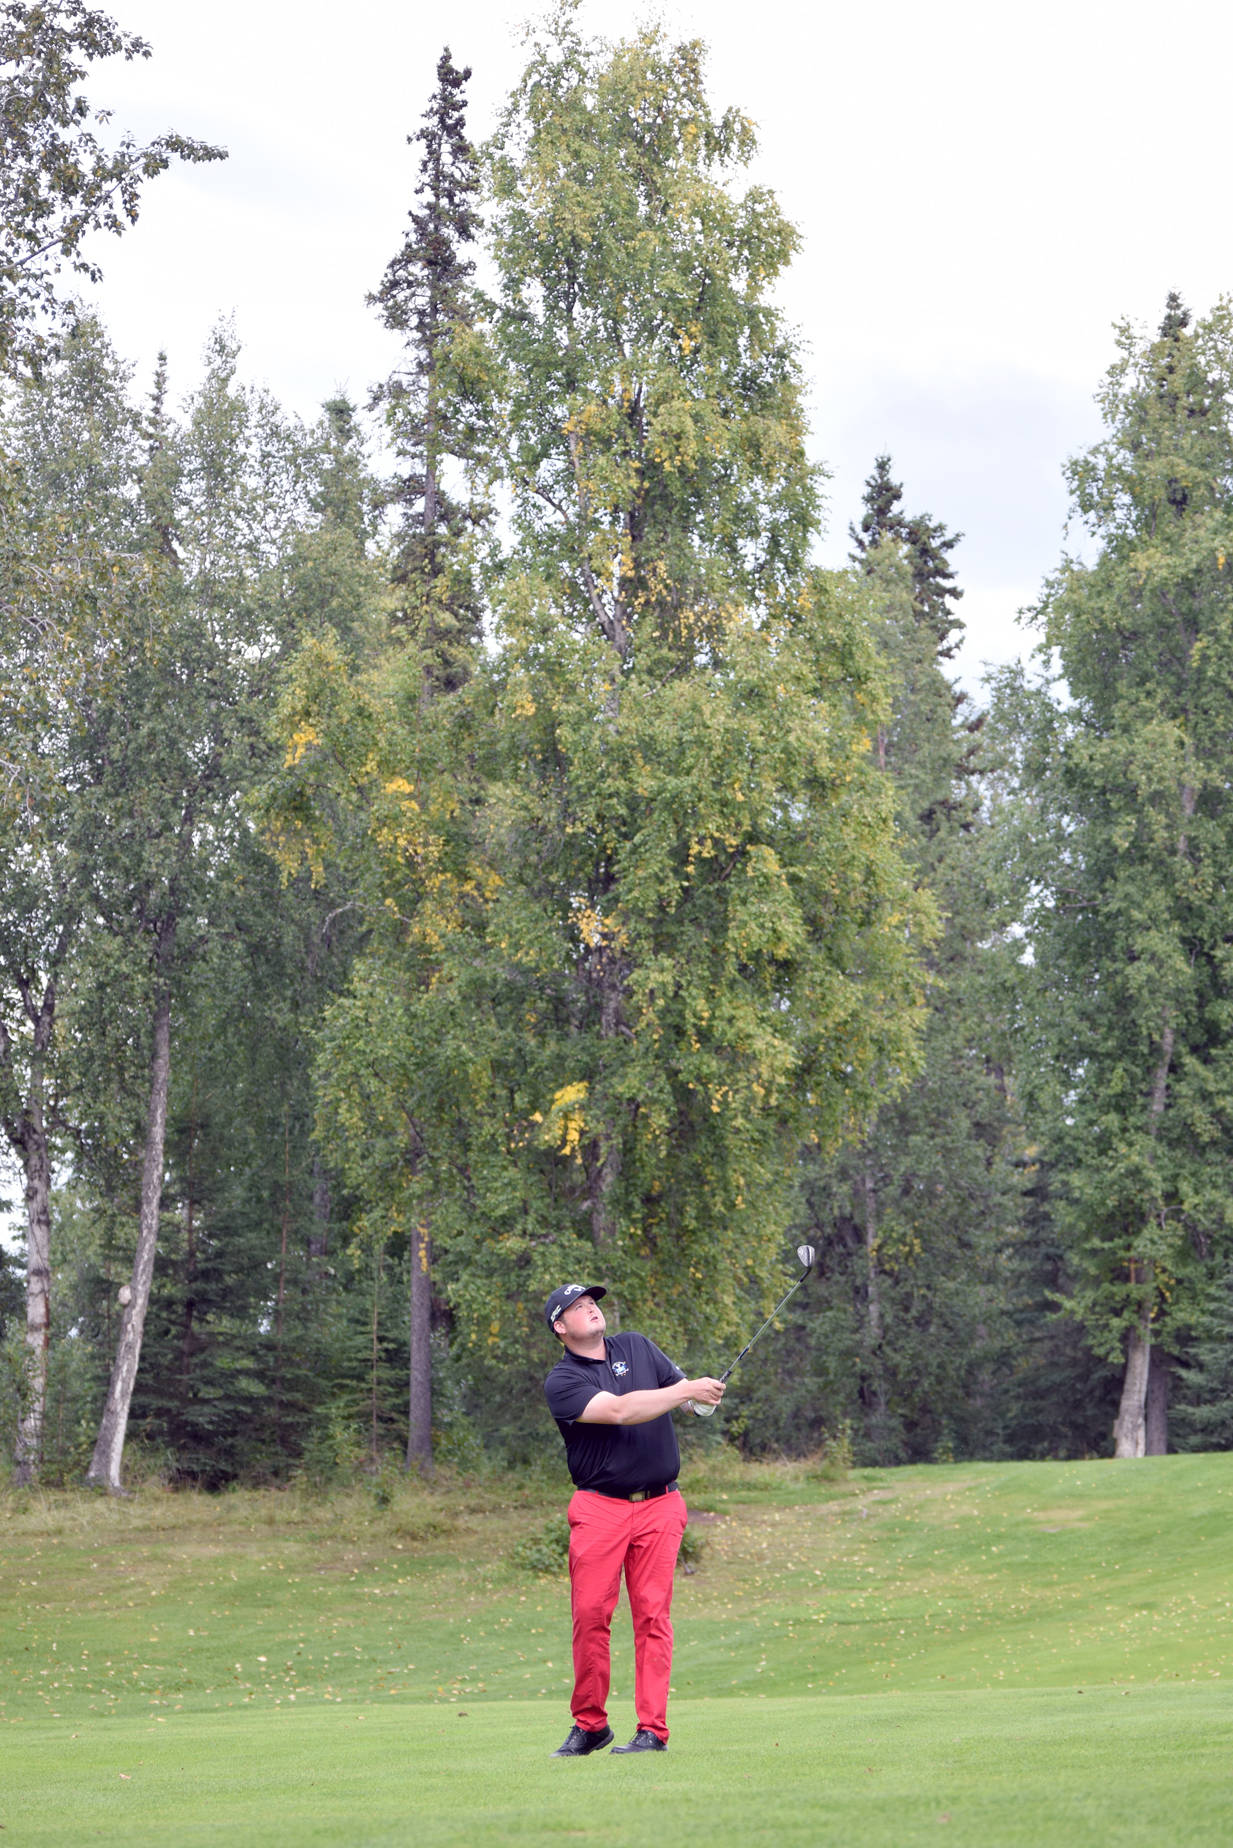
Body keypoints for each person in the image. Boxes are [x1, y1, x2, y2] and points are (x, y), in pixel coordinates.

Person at [542, 1280, 726, 1757]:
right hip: (600, 1506)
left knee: (652, 1618)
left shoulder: (638, 1347)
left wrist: (700, 1398)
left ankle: (652, 1731)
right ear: (560, 1328)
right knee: (590, 1617)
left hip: (661, 1505)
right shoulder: (562, 1382)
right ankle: (590, 1724)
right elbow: (622, 1411)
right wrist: (685, 1389)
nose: (591, 1311)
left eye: (592, 1304)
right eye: (578, 1308)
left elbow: (684, 1399)